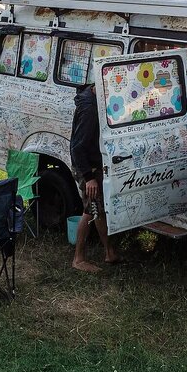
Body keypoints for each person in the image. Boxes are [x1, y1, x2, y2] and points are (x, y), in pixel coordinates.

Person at [69, 84, 119, 273]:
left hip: (95, 164)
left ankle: (109, 252)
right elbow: (77, 147)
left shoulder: (94, 97)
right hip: (86, 167)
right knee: (90, 210)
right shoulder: (90, 108)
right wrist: (89, 177)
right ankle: (78, 259)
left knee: (99, 208)